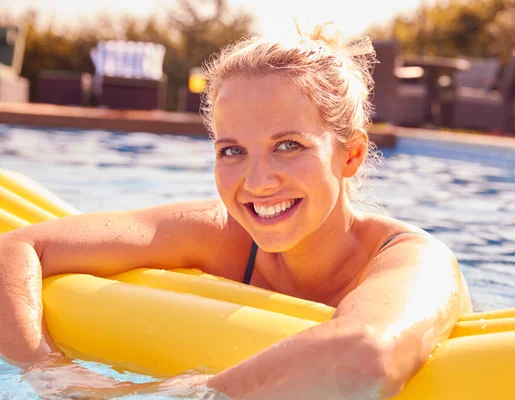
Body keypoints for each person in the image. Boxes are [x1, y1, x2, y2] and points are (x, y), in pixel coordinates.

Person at [0, 22, 472, 400]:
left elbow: (366, 354)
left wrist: (182, 396)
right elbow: (21, 247)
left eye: (288, 145)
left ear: (349, 156)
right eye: (232, 151)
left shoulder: (413, 261)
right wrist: (49, 375)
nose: (257, 182)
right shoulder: (223, 235)